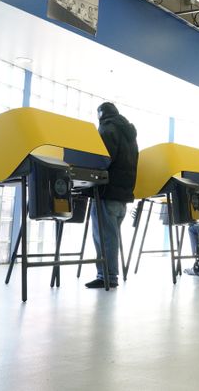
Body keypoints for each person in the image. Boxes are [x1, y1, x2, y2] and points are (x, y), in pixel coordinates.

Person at [86, 102, 138, 289]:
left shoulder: (108, 129)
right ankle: (110, 274)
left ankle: (107, 276)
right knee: (111, 235)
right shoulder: (129, 134)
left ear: (101, 114)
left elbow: (102, 158)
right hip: (123, 194)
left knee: (104, 236)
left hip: (107, 191)